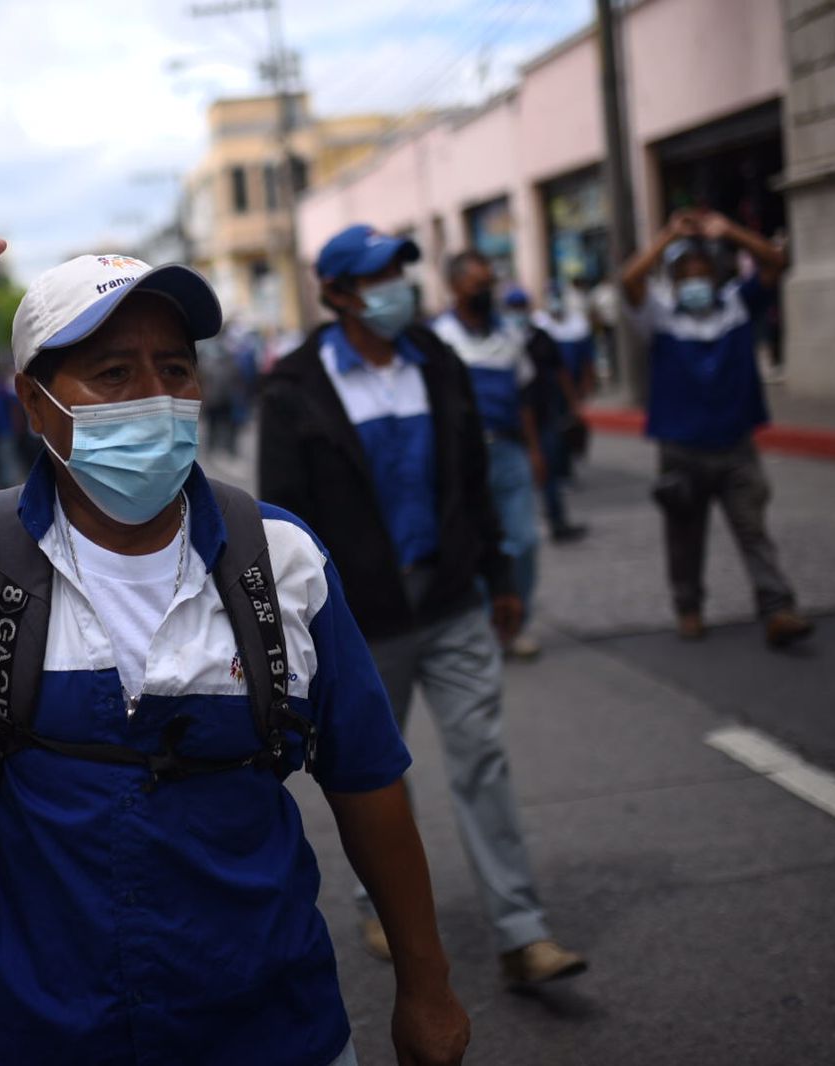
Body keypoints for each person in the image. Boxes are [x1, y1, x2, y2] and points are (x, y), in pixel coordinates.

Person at [0, 194, 469, 1066]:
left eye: (176, 370)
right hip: (46, 1040)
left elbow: (368, 781)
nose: (156, 399)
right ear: (35, 408)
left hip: (276, 1032)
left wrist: (428, 985)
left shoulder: (282, 559)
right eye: (113, 375)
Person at [260, 224, 588, 993]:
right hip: (360, 624)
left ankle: (522, 931)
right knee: (375, 775)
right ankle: (379, 899)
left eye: (402, 270)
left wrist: (500, 574)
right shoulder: (295, 387)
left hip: (449, 603)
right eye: (378, 276)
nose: (398, 286)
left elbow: (471, 480)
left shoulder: (434, 361)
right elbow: (281, 518)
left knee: (483, 758)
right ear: (337, 294)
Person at [620, 209, 815, 648]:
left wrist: (729, 232)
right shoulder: (660, 315)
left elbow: (775, 264)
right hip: (681, 450)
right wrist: (668, 234)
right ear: (673, 280)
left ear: (716, 274)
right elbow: (629, 280)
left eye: (702, 271)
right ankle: (688, 607)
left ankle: (777, 608)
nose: (695, 280)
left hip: (736, 445)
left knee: (753, 531)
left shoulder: (737, 306)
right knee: (685, 538)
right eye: (685, 273)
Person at [433, 251, 548, 660]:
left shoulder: (508, 335)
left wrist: (534, 450)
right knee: (474, 545)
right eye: (476, 284)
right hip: (464, 459)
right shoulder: (439, 338)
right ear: (454, 286)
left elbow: (524, 400)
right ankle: (485, 626)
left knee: (525, 540)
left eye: (488, 284)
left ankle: (516, 621)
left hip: (508, 450)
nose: (484, 292)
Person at [504, 288, 588, 544]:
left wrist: (574, 404)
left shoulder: (541, 337)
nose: (518, 312)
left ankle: (557, 520)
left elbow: (561, 371)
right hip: (511, 423)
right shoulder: (503, 339)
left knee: (547, 467)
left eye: (521, 307)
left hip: (543, 414)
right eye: (513, 307)